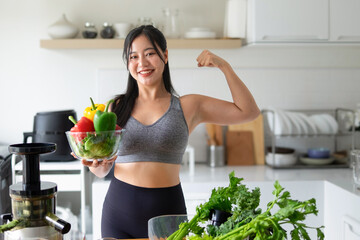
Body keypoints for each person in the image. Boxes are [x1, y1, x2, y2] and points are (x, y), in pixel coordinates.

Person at [81, 25, 260, 239]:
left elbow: (249, 112)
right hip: (119, 215)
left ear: (164, 56)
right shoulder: (115, 108)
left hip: (167, 215)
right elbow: (102, 171)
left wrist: (224, 66)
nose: (142, 63)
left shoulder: (188, 106)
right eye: (134, 57)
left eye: (149, 54)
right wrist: (98, 167)